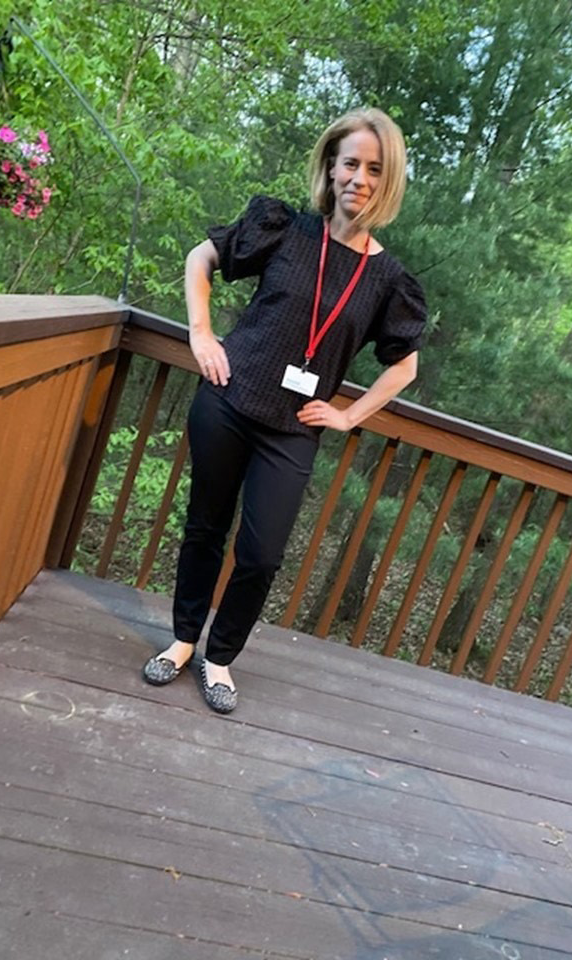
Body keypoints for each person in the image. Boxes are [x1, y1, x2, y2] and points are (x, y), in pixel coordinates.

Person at [142, 108, 428, 715]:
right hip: (227, 397)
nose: (360, 178)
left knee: (263, 552)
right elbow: (202, 258)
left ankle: (220, 658)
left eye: (374, 169)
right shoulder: (286, 228)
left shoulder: (389, 280)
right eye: (350, 163)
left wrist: (351, 416)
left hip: (294, 429)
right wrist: (201, 333)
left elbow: (404, 365)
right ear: (331, 166)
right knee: (204, 529)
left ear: (388, 180)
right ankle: (184, 641)